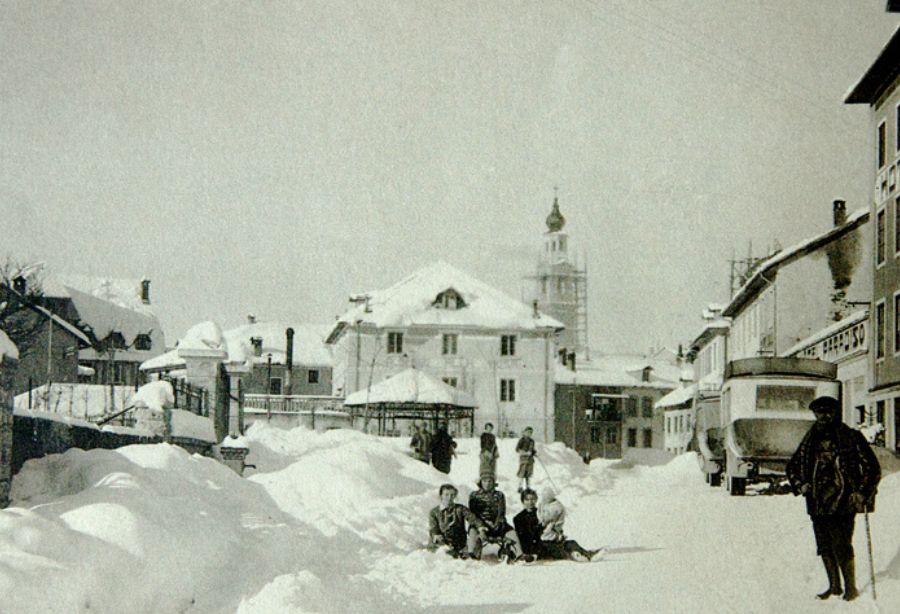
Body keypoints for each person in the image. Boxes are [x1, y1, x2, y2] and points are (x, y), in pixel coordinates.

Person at [786, 395, 881, 602]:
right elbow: (792, 467)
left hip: (844, 501)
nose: (824, 417)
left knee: (842, 545)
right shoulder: (809, 440)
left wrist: (862, 492)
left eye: (828, 413)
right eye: (820, 413)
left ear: (836, 414)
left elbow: (872, 468)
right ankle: (834, 586)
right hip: (817, 502)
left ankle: (850, 588)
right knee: (824, 546)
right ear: (815, 415)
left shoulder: (851, 437)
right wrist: (801, 484)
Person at [514, 488, 602, 562]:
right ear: (523, 501)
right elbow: (525, 536)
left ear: (536, 499)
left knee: (570, 542)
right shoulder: (518, 518)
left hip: (547, 539)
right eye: (527, 500)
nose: (530, 502)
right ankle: (574, 555)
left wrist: (556, 532)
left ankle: (587, 554)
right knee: (558, 549)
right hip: (535, 546)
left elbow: (552, 523)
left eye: (532, 499)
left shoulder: (541, 512)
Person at [468, 472, 535, 563]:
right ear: (480, 482)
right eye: (484, 481)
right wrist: (483, 525)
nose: (487, 484)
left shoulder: (499, 495)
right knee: (472, 530)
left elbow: (501, 513)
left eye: (490, 481)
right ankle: (471, 554)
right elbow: (473, 515)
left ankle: (520, 554)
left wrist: (496, 524)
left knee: (511, 532)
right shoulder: (474, 495)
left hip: (497, 525)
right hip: (480, 525)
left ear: (493, 483)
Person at [428, 484, 486, 559]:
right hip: (442, 541)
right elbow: (433, 528)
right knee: (443, 556)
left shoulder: (460, 509)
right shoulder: (434, 512)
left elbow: (472, 518)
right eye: (446, 495)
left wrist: (481, 527)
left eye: (452, 495)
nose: (449, 498)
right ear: (441, 496)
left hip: (458, 542)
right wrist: (437, 536)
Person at [515, 427, 536, 492]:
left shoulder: (532, 441)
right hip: (523, 460)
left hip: (530, 460)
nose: (529, 434)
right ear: (524, 432)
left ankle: (528, 487)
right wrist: (525, 453)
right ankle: (520, 487)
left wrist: (533, 452)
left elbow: (532, 449)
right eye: (528, 432)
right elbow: (517, 449)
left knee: (528, 474)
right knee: (522, 473)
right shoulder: (522, 440)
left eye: (530, 432)